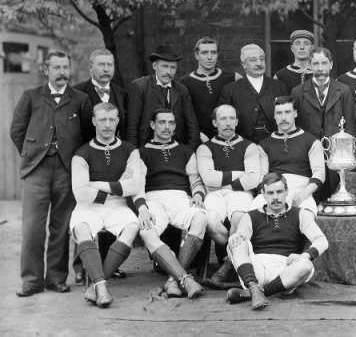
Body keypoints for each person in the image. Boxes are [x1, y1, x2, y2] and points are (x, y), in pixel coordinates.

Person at [11, 51, 92, 297]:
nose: (62, 73)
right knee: (33, 227)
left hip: (67, 171)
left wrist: (77, 165)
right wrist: (32, 155)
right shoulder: (31, 97)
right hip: (37, 169)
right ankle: (32, 280)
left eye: (65, 67)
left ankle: (56, 278)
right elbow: (17, 131)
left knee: (61, 227)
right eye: (56, 68)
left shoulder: (80, 99)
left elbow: (88, 136)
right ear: (46, 70)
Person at [70, 103, 144, 308]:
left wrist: (94, 184)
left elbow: (133, 186)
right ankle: (101, 286)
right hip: (88, 206)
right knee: (82, 229)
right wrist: (118, 184)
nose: (107, 125)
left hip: (117, 206)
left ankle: (96, 284)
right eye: (102, 120)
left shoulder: (130, 150)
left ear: (118, 121)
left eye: (112, 119)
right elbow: (81, 193)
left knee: (132, 227)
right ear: (94, 121)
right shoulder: (82, 153)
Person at [225, 173, 329, 310]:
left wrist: (304, 256)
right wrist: (235, 237)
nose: (275, 197)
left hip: (284, 271)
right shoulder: (251, 216)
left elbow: (321, 240)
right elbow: (238, 249)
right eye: (270, 193)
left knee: (306, 265)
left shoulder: (299, 214)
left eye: (279, 192)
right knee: (236, 242)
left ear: (287, 192)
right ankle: (253, 286)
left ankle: (257, 293)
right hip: (256, 268)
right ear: (263, 194)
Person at [137, 109, 208, 298]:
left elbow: (195, 179)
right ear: (153, 125)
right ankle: (185, 279)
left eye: (171, 123)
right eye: (161, 122)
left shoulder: (185, 151)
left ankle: (173, 279)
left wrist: (198, 195)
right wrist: (142, 208)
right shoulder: (142, 152)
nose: (167, 127)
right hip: (153, 198)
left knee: (200, 218)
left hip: (179, 197)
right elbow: (138, 186)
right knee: (146, 230)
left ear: (175, 126)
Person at [196, 104, 261, 288]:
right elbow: (208, 178)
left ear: (237, 121)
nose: (228, 123)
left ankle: (227, 264)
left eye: (232, 118)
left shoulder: (249, 146)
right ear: (215, 122)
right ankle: (234, 256)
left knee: (239, 218)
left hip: (241, 192)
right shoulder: (205, 148)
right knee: (210, 222)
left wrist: (220, 179)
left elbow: (253, 180)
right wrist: (240, 173)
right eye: (223, 119)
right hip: (214, 194)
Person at [292, 47, 356, 201]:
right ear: (309, 65)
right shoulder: (298, 92)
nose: (320, 68)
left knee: (334, 194)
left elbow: (350, 126)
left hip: (336, 153)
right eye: (316, 64)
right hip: (308, 153)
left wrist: (350, 157)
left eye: (324, 63)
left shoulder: (343, 91)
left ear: (331, 64)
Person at [252, 96, 325, 215]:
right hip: (272, 190)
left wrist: (305, 193)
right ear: (274, 115)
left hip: (301, 191)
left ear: (295, 113)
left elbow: (319, 173)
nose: (283, 118)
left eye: (288, 112)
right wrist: (269, 194)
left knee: (306, 217)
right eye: (279, 113)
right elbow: (262, 176)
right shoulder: (264, 144)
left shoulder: (311, 141)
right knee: (253, 216)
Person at [126, 44, 201, 151]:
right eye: (165, 66)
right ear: (154, 66)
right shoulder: (140, 86)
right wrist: (133, 155)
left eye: (173, 67)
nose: (169, 72)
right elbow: (131, 126)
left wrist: (188, 154)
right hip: (146, 150)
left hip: (176, 151)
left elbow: (192, 126)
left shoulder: (181, 90)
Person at [218, 44, 289, 144]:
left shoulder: (279, 87)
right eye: (253, 60)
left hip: (276, 146)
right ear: (244, 64)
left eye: (261, 59)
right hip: (242, 147)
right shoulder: (230, 90)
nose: (259, 63)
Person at [179, 37, 243, 142]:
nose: (209, 57)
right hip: (199, 139)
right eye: (204, 53)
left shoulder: (233, 78)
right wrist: (198, 135)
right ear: (196, 55)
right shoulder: (185, 82)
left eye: (213, 53)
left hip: (228, 138)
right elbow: (184, 116)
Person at [73, 49, 128, 142]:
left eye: (109, 65)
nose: (106, 69)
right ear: (90, 67)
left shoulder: (122, 94)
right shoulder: (76, 92)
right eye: (101, 64)